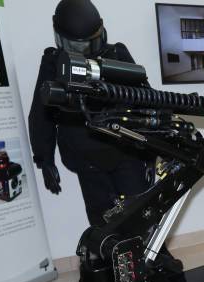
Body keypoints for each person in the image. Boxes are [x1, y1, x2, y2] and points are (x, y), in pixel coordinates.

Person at [28, 0, 153, 226]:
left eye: (86, 45)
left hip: (125, 148)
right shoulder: (54, 63)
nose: (81, 52)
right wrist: (44, 158)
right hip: (85, 155)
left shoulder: (117, 55)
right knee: (103, 219)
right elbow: (41, 113)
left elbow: (147, 101)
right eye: (74, 46)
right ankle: (106, 260)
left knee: (142, 211)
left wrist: (151, 151)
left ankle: (155, 253)